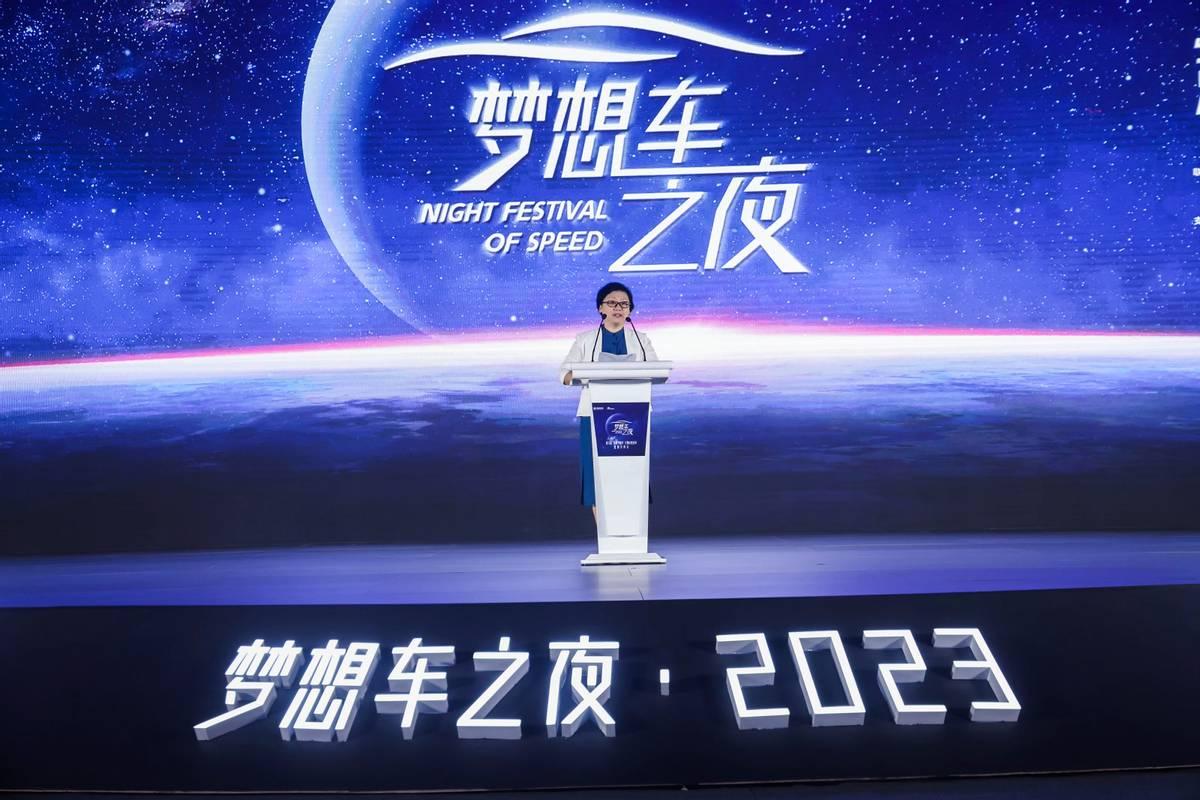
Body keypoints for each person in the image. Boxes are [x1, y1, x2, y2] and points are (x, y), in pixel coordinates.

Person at [559, 282, 658, 516]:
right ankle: (605, 533)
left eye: (624, 304)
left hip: (634, 415)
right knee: (597, 476)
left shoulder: (641, 340)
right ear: (600, 308)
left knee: (630, 473)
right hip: (594, 414)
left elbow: (656, 370)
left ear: (630, 310)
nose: (618, 308)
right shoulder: (585, 339)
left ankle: (631, 532)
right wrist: (586, 374)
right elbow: (564, 375)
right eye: (612, 303)